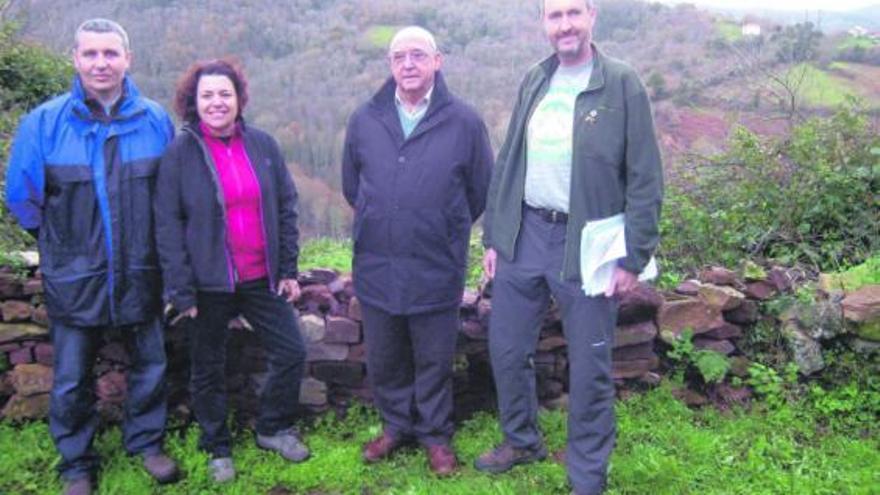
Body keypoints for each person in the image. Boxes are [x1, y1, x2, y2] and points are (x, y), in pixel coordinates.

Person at [475, 1, 663, 494]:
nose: (565, 24)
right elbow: (509, 160)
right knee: (507, 347)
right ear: (544, 23)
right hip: (526, 232)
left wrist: (633, 256)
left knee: (591, 363)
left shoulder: (621, 83)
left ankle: (586, 476)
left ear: (592, 16)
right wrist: (495, 234)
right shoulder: (536, 79)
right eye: (554, 15)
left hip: (588, 242)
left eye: (573, 13)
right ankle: (521, 440)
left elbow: (645, 177)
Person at [4, 18, 179, 495]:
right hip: (74, 274)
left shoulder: (155, 120)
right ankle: (76, 463)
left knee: (151, 364)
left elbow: (171, 194)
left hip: (143, 268)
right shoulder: (44, 123)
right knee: (71, 377)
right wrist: (62, 243)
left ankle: (146, 443)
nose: (101, 63)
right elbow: (22, 197)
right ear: (76, 60)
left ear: (128, 59)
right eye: (91, 54)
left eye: (110, 53)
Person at [341, 26, 493, 476]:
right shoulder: (365, 119)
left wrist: (439, 224)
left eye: (417, 56)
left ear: (437, 61)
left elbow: (480, 190)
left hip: (435, 264)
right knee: (385, 356)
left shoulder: (464, 122)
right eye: (399, 57)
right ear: (390, 65)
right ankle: (395, 427)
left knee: (433, 357)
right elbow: (354, 186)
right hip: (377, 262)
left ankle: (435, 436)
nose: (408, 65)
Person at [154, 58, 308, 483]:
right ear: (193, 101)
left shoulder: (262, 145)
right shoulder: (179, 154)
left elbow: (285, 207)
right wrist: (181, 292)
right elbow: (167, 225)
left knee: (292, 351)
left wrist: (288, 268)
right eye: (208, 95)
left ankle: (273, 428)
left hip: (261, 277)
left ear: (239, 99)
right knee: (208, 367)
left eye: (225, 94)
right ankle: (217, 446)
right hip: (208, 284)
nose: (217, 102)